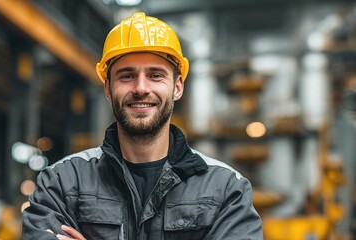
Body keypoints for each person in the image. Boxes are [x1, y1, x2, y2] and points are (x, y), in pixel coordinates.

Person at [22, 12, 263, 240]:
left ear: (177, 87)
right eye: (126, 76)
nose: (141, 88)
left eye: (155, 75)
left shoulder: (226, 188)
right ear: (107, 88)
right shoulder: (61, 183)